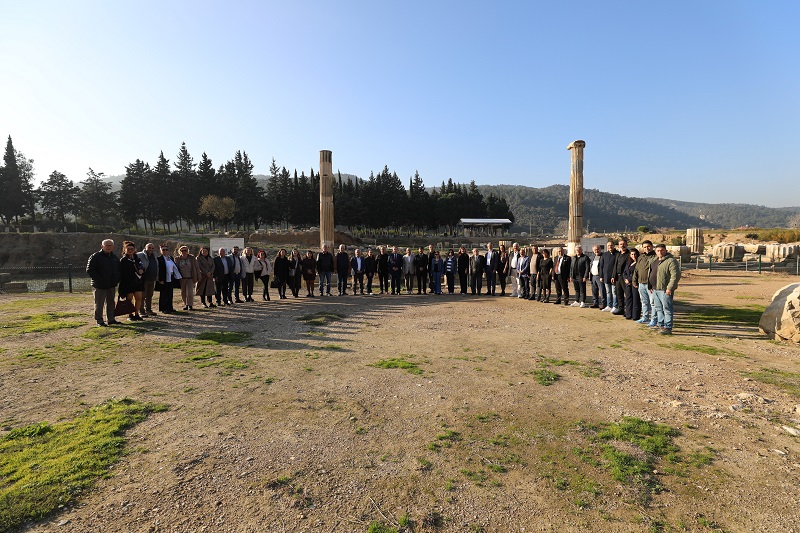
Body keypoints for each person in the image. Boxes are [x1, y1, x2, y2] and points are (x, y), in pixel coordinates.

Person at [86, 238, 121, 326]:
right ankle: (99, 321)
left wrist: (116, 279)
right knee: (99, 304)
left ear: (113, 246)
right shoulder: (95, 256)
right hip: (99, 285)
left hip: (111, 285)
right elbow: (90, 270)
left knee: (111, 303)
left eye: (110, 245)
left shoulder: (114, 257)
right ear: (102, 246)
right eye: (107, 245)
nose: (109, 247)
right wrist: (99, 279)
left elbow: (118, 270)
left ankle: (111, 319)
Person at [649, 244, 680, 335]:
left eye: (662, 250)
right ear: (655, 251)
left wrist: (669, 288)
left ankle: (668, 327)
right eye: (658, 251)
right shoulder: (654, 260)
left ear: (666, 251)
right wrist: (650, 286)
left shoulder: (671, 261)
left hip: (664, 289)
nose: (660, 252)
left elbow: (675, 276)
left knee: (667, 309)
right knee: (658, 308)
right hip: (655, 289)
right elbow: (650, 273)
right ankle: (661, 324)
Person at [119, 240, 145, 321]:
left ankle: (136, 314)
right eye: (128, 249)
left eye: (132, 249)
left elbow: (142, 266)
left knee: (139, 298)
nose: (130, 250)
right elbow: (121, 272)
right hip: (128, 282)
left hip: (138, 282)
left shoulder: (137, 258)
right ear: (125, 250)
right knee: (129, 299)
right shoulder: (123, 260)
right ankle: (130, 315)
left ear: (134, 249)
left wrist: (142, 270)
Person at [633, 241, 656, 324]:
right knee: (644, 302)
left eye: (648, 246)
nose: (647, 248)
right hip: (641, 283)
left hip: (650, 284)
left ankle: (654, 319)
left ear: (652, 246)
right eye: (645, 247)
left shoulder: (655, 257)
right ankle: (645, 317)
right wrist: (634, 281)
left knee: (653, 303)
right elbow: (636, 269)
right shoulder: (641, 257)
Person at [136, 243, 159, 317]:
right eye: (149, 247)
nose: (151, 249)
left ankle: (148, 310)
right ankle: (141, 311)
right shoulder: (139, 255)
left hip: (152, 279)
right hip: (144, 279)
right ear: (145, 248)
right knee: (142, 296)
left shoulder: (154, 255)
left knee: (150, 295)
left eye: (152, 248)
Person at [176, 245, 200, 311]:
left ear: (187, 251)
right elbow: (176, 268)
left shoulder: (191, 258)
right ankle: (186, 304)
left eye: (185, 250)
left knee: (190, 292)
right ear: (180, 251)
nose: (184, 252)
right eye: (182, 251)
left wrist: (198, 276)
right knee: (183, 292)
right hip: (182, 278)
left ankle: (190, 305)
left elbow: (197, 267)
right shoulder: (178, 259)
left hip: (190, 277)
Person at [158, 244, 180, 313]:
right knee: (163, 294)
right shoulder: (159, 259)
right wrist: (160, 279)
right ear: (161, 251)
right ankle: (163, 308)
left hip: (171, 277)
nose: (165, 251)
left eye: (166, 250)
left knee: (170, 293)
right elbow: (159, 270)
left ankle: (170, 307)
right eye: (163, 250)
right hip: (164, 278)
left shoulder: (170, 258)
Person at [598, 241, 618, 312]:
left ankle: (615, 306)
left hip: (614, 277)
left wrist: (614, 276)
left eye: (611, 245)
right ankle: (609, 305)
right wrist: (601, 276)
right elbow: (601, 266)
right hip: (606, 276)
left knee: (614, 292)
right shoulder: (604, 255)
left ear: (614, 245)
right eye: (608, 245)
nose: (610, 247)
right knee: (608, 292)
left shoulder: (617, 254)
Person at [612, 238, 630, 315]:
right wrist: (613, 276)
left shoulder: (629, 254)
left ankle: (628, 310)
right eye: (621, 244)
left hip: (625, 277)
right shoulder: (618, 254)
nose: (622, 245)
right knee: (619, 294)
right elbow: (615, 266)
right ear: (618, 245)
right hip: (618, 277)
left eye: (624, 244)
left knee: (627, 294)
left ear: (626, 245)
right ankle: (621, 309)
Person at [623, 248, 641, 320]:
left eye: (635, 254)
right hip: (628, 284)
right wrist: (625, 279)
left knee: (635, 299)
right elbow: (625, 272)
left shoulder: (639, 263)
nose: (634, 256)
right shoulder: (628, 263)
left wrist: (630, 279)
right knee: (628, 298)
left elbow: (636, 274)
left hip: (635, 283)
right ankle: (628, 314)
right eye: (632, 254)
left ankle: (635, 316)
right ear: (630, 255)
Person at [589, 244, 606, 309]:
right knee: (594, 291)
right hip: (593, 276)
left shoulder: (603, 256)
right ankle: (595, 303)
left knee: (602, 291)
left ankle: (604, 304)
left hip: (600, 276)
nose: (596, 251)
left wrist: (602, 276)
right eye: (595, 250)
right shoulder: (592, 257)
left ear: (600, 249)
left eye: (597, 249)